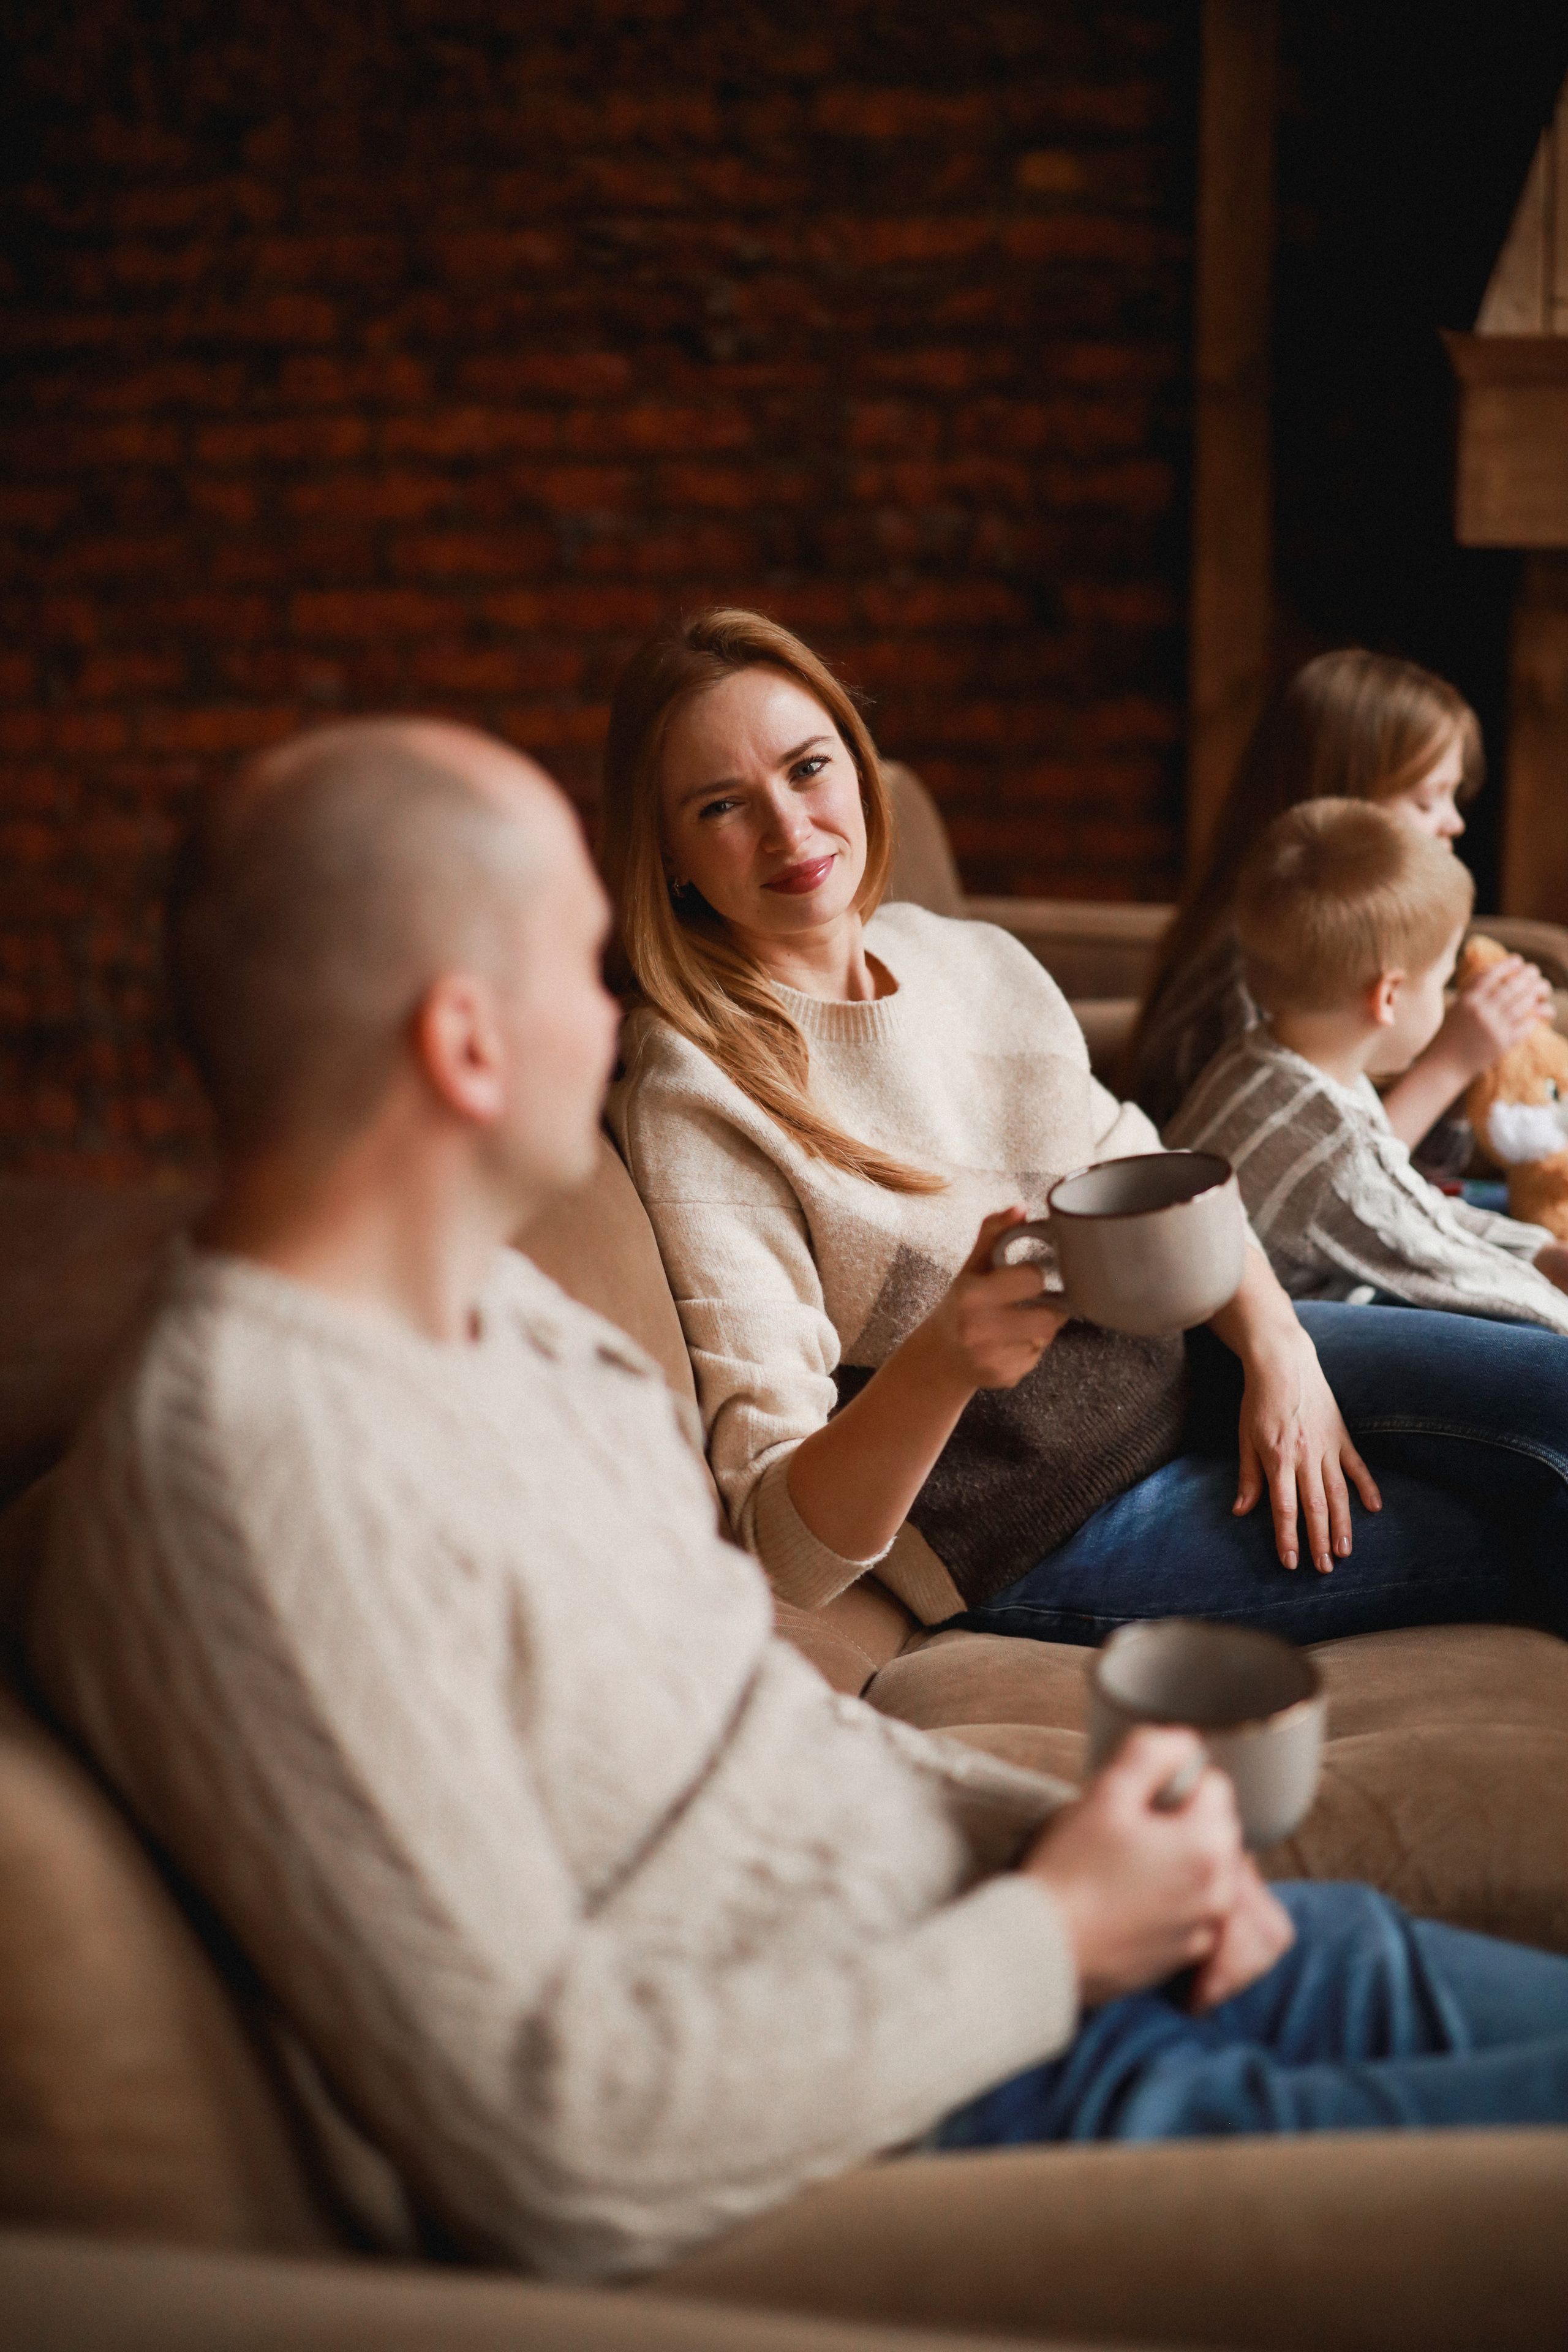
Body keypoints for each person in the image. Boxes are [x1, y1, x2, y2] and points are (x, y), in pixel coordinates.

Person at [28, 715, 1568, 2282]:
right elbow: (554, 2139)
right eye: (581, 960)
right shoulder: (258, 1471)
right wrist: (1052, 1939)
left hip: (1042, 1959)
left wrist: (1112, 1863)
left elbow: (774, 1733)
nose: (617, 1009)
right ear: (467, 1042)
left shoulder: (503, 1319)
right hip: (991, 2106)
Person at [602, 609, 1568, 1649]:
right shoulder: (693, 1095)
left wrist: (1280, 1350)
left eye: (807, 768)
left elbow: (1154, 1168)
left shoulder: (966, 958)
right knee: (1517, 1533)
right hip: (1044, 1529)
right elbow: (782, 1547)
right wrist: (942, 1362)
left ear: (857, 763)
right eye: (721, 807)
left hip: (1196, 1366)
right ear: (669, 857)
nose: (791, 831)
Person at [1166, 799, 1568, 1335]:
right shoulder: (1334, 1147)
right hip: (1250, 1359)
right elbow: (1457, 1271)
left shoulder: (1264, 1056)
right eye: (1443, 980)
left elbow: (1411, 1203)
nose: (1447, 997)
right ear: (1389, 996)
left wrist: (1544, 1252)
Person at [1126, 648, 1553, 1147]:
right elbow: (1305, 1178)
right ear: (1339, 811)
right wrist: (1450, 1064)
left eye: (1454, 796)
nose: (1454, 823)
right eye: (1425, 799)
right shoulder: (1258, 973)